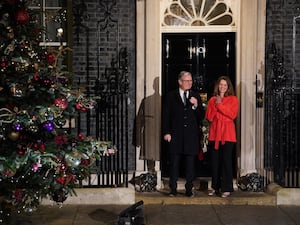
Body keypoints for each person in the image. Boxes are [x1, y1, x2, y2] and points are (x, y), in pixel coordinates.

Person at [162, 71, 204, 197]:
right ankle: (173, 189)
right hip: (175, 135)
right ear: (180, 82)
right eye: (187, 81)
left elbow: (201, 116)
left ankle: (189, 189)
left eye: (191, 81)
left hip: (191, 136)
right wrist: (166, 132)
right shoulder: (170, 96)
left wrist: (196, 105)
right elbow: (166, 116)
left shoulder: (195, 95)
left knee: (190, 165)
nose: (189, 83)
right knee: (174, 164)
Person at [205, 75, 238, 198]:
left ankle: (226, 187)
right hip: (215, 135)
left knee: (226, 162)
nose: (222, 87)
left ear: (228, 87)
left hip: (228, 135)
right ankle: (215, 186)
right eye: (220, 84)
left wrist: (219, 105)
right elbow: (209, 117)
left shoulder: (233, 99)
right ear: (217, 86)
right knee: (215, 162)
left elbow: (232, 114)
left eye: (225, 85)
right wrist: (215, 105)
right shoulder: (212, 100)